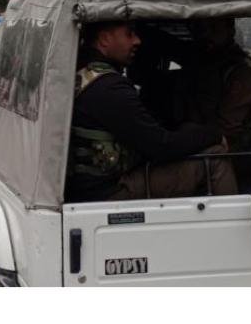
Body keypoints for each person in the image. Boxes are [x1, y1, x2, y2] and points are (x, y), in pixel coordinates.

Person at [65, 21, 237, 203]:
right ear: (105, 39)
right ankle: (237, 226)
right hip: (109, 191)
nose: (137, 41)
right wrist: (214, 135)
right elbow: (161, 146)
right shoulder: (109, 88)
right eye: (129, 34)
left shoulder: (82, 73)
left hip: (91, 186)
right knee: (216, 158)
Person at [169, 18, 251, 185]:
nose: (206, 35)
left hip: (232, 155)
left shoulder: (241, 73)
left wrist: (184, 135)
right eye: (201, 29)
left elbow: (227, 132)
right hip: (204, 143)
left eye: (214, 28)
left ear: (230, 29)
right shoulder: (205, 63)